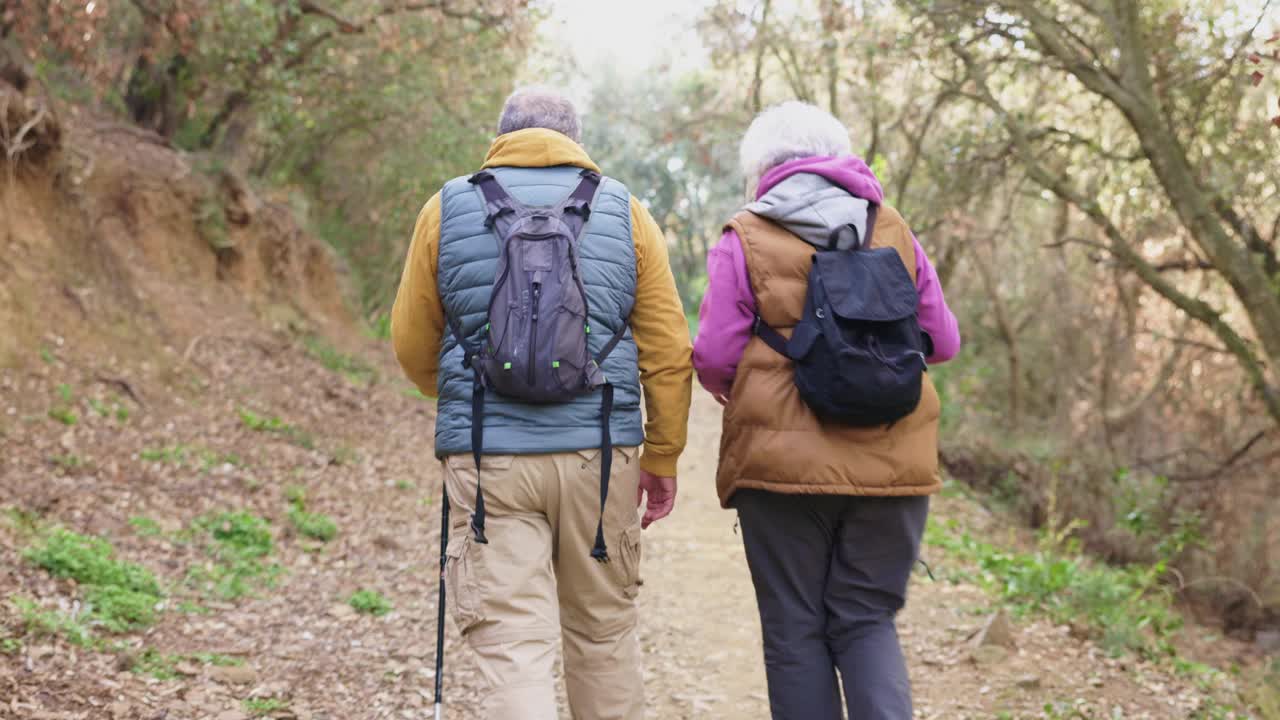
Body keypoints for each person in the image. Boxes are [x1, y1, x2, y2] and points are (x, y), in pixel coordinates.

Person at [391, 87, 692, 720]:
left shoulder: (446, 208)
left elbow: (412, 343)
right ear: (576, 141)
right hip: (600, 459)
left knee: (510, 644)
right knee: (604, 634)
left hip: (488, 454)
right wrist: (661, 456)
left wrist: (455, 396)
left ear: (500, 136)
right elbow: (667, 352)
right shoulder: (625, 211)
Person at [692, 101, 961, 720]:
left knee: (794, 629)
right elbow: (940, 341)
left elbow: (712, 355)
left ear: (760, 166)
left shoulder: (746, 235)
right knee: (867, 620)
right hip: (893, 458)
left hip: (779, 471)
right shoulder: (892, 227)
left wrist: (751, 392)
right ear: (839, 155)